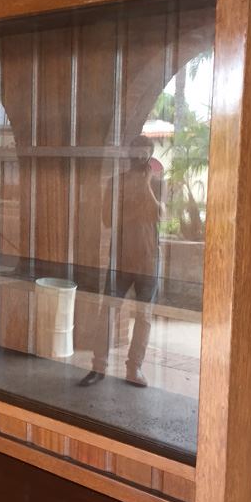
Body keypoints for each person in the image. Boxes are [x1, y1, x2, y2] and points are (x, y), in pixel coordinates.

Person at [80, 135, 163, 388]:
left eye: (144, 151)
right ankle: (98, 367)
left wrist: (146, 185)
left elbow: (160, 214)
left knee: (144, 315)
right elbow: (107, 218)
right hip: (121, 258)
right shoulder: (115, 183)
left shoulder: (157, 182)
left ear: (150, 154)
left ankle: (134, 368)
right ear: (129, 153)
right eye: (136, 150)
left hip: (148, 260)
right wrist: (131, 206)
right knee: (107, 311)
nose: (139, 155)